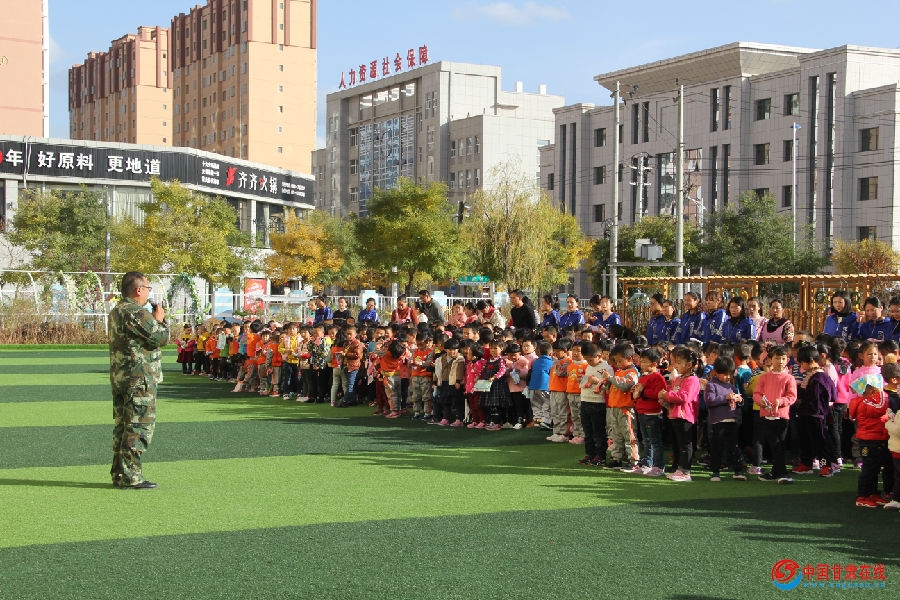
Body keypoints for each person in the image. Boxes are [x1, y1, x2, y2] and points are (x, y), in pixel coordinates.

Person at [108, 271, 169, 489]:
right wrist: (159, 320)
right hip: (138, 378)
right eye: (148, 289)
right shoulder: (135, 312)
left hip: (122, 377)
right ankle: (131, 476)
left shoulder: (117, 310)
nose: (148, 293)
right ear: (138, 290)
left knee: (123, 426)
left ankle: (120, 473)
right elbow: (160, 337)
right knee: (138, 426)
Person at [752, 345, 797, 484]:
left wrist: (781, 401)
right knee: (774, 445)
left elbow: (792, 396)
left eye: (783, 358)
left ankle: (780, 472)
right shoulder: (764, 377)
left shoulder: (789, 378)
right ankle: (779, 472)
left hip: (781, 416)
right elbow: (756, 394)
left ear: (787, 360)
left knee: (779, 445)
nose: (780, 361)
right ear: (771, 360)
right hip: (766, 415)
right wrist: (761, 401)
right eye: (777, 358)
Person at [848, 373, 892, 507]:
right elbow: (881, 408)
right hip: (869, 441)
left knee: (874, 468)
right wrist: (884, 394)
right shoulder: (866, 403)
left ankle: (872, 493)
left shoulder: (865, 402)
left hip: (874, 439)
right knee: (869, 469)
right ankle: (862, 496)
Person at [658, 345, 701, 482]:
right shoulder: (679, 378)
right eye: (675, 362)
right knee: (679, 444)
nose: (676, 365)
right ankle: (680, 469)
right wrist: (663, 397)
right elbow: (672, 392)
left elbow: (684, 397)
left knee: (686, 445)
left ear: (689, 365)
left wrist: (666, 395)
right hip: (675, 415)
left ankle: (686, 471)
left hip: (685, 416)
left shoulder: (693, 380)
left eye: (679, 362)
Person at [704, 356, 747, 481]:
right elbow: (710, 401)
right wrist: (726, 398)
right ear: (716, 372)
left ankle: (738, 471)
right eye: (725, 374)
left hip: (732, 420)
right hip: (718, 422)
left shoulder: (731, 386)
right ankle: (715, 472)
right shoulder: (711, 385)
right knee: (717, 448)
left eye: (730, 374)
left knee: (734, 447)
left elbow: (738, 401)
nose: (728, 377)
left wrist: (740, 400)